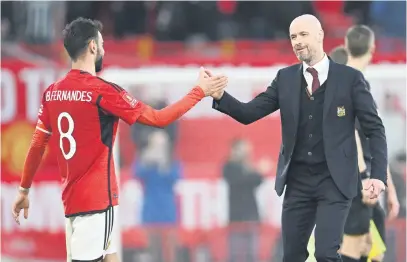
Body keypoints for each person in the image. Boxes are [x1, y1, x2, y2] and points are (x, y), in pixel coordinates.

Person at [11, 17, 228, 262]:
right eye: (101, 44)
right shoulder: (104, 91)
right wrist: (199, 91)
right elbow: (159, 118)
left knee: (109, 257)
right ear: (93, 47)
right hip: (96, 205)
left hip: (78, 202)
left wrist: (24, 189)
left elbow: (38, 144)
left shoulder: (52, 93)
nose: (103, 49)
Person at [210, 14, 387, 262]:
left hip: (335, 182)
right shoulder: (285, 78)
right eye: (293, 36)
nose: (297, 41)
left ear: (320, 35)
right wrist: (220, 96)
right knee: (292, 256)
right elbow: (249, 113)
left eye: (303, 34)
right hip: (298, 182)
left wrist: (377, 175)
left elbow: (375, 129)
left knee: (326, 254)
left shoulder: (350, 79)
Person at [340, 25, 400, 262]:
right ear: (372, 49)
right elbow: (352, 135)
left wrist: (388, 187)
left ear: (346, 46)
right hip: (357, 181)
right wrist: (366, 178)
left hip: (357, 181)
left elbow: (373, 141)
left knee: (372, 249)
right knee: (356, 248)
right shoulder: (352, 86)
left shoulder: (348, 85)